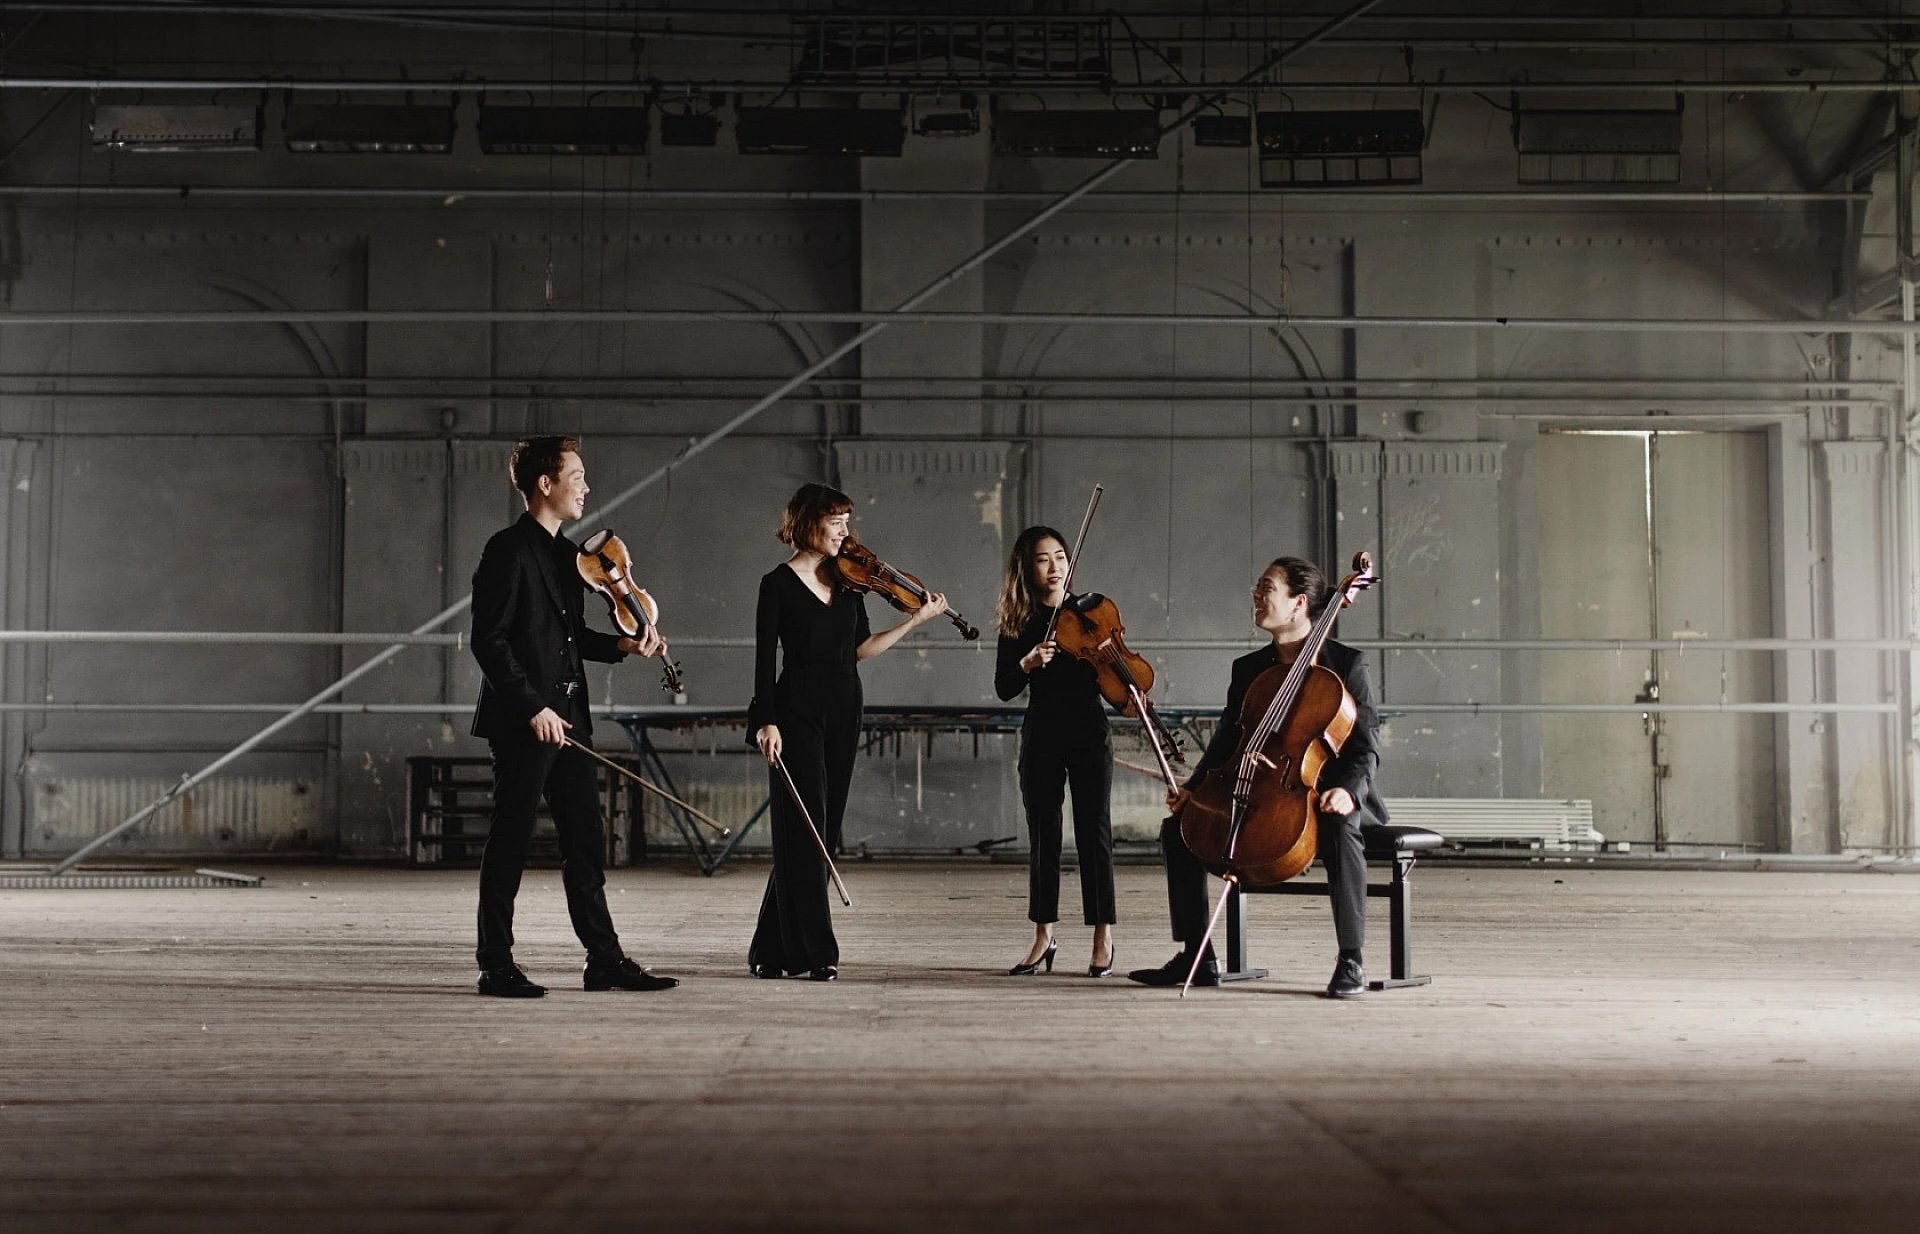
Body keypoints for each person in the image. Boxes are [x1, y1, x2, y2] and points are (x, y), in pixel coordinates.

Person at [469, 435, 677, 999]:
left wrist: (624, 645)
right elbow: (489, 641)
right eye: (577, 476)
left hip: (569, 714)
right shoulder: (506, 550)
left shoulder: (571, 558)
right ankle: (495, 964)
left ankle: (604, 960)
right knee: (510, 840)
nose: (586, 487)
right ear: (546, 484)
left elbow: (572, 636)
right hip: (526, 721)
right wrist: (532, 707)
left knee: (585, 839)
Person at [1127, 556, 1387, 998]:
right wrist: (1193, 789)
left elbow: (1365, 747)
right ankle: (1198, 955)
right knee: (1179, 829)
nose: (1256, 594)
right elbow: (1229, 740)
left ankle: (1351, 960)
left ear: (1299, 603)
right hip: (1258, 788)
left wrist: (1347, 790)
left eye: (1267, 587)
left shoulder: (1347, 664)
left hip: (1323, 792)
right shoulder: (1248, 669)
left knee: (1341, 827)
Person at [748, 483, 948, 981]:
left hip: (844, 705)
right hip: (796, 708)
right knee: (804, 825)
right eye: (835, 521)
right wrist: (765, 721)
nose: (845, 531)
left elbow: (860, 649)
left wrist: (914, 621)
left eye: (846, 521)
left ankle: (770, 949)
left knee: (823, 828)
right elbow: (763, 661)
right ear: (807, 522)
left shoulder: (849, 584)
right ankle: (817, 952)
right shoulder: (776, 584)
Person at [993, 526, 1118, 978]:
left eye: (1060, 556)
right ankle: (1044, 935)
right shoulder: (1019, 622)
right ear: (1027, 567)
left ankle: (1103, 935)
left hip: (1088, 730)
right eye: (1043, 559)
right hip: (1043, 732)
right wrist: (1027, 663)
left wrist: (1126, 682)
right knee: (1044, 834)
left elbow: (1113, 678)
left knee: (1093, 831)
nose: (1054, 566)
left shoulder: (1091, 613)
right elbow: (1004, 687)